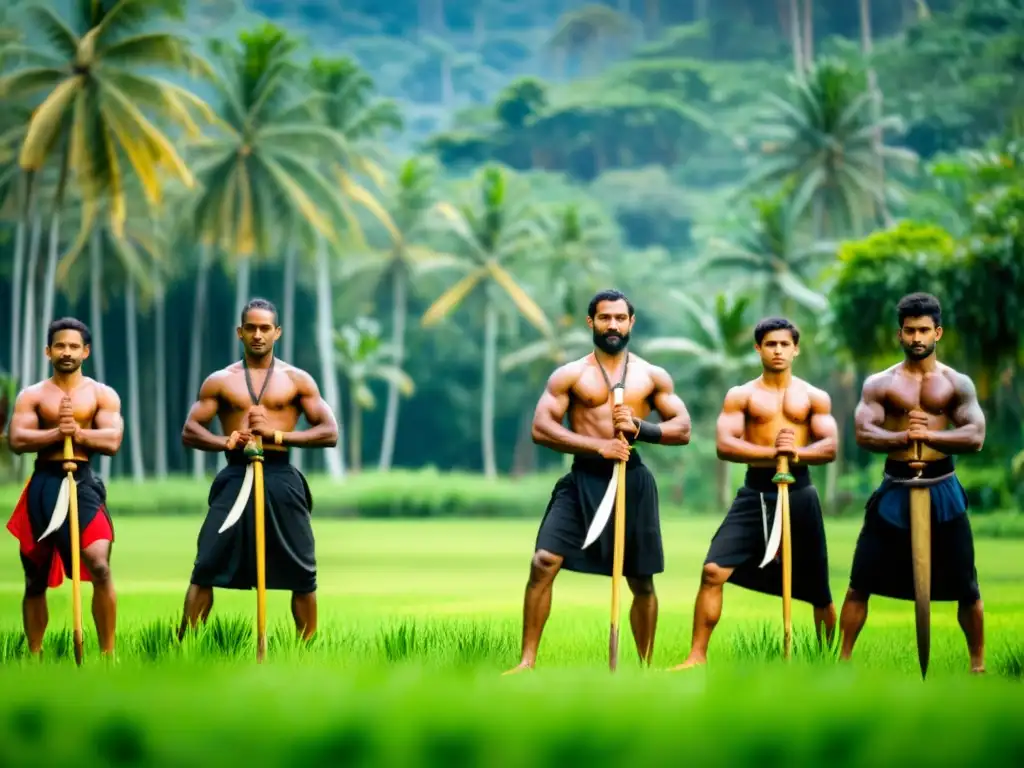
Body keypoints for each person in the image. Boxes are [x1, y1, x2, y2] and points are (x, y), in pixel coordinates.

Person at [504, 289, 692, 673]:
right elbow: (541, 428)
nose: (613, 325)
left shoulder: (651, 375)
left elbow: (683, 428)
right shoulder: (571, 374)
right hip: (583, 478)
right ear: (591, 322)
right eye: (605, 318)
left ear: (631, 323)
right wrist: (598, 446)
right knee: (544, 561)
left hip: (632, 479)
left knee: (641, 580)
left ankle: (643, 668)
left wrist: (641, 427)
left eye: (620, 318)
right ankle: (527, 662)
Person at [668, 318, 838, 670]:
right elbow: (725, 445)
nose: (778, 350)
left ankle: (827, 663)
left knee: (818, 590)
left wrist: (795, 454)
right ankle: (696, 656)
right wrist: (771, 453)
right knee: (713, 570)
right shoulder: (741, 395)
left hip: (799, 491)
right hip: (756, 491)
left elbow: (830, 446)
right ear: (757, 348)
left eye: (784, 344)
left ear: (796, 349)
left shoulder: (813, 396)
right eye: (770, 344)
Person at [839, 292, 986, 672]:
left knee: (967, 586)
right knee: (860, 579)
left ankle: (977, 664)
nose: (917, 337)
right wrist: (904, 438)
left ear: (938, 332)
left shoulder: (957, 383)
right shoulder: (880, 383)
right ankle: (843, 659)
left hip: (944, 488)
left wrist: (931, 437)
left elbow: (975, 436)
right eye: (909, 331)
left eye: (924, 330)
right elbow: (863, 433)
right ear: (899, 335)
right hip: (895, 488)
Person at [177, 298, 339, 642]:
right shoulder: (220, 381)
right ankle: (184, 647)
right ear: (240, 332)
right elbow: (191, 430)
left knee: (302, 570)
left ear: (277, 332)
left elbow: (329, 431)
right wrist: (226, 442)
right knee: (206, 564)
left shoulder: (297, 380)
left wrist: (278, 434)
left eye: (265, 328)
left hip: (281, 475)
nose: (258, 334)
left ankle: (306, 651)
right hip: (236, 474)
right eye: (251, 327)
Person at [5, 317, 124, 657]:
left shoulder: (102, 394)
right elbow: (17, 438)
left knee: (99, 564)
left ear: (85, 351)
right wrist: (57, 434)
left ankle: (106, 655)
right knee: (35, 576)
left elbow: (112, 439)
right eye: (60, 345)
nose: (67, 352)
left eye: (74, 346)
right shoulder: (33, 396)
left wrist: (79, 434)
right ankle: (36, 654)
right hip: (44, 483)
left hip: (83, 482)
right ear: (48, 351)